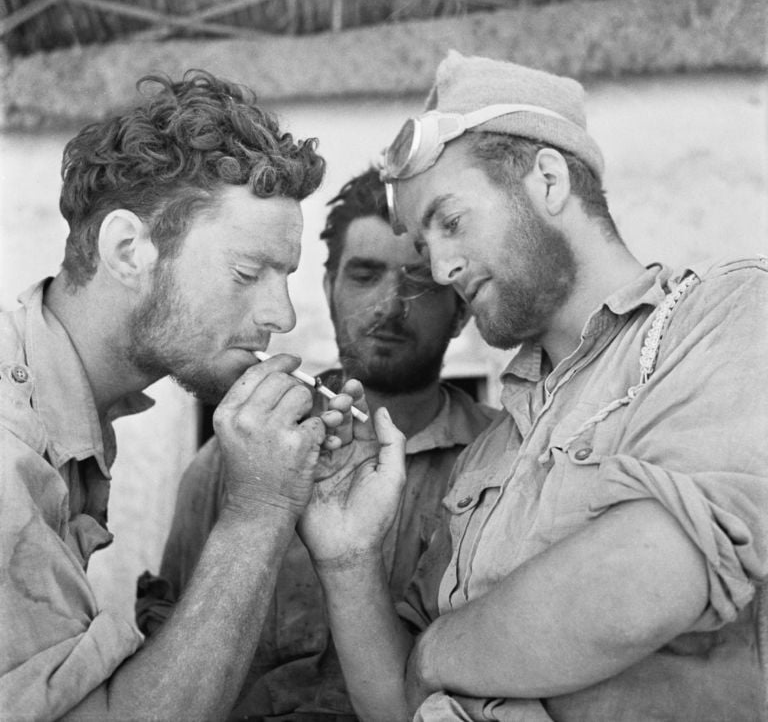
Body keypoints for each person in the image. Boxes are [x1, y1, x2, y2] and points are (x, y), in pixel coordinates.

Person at [297, 51, 768, 721]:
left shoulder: (726, 315)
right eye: (425, 244)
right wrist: (347, 557)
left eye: (451, 221)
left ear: (547, 180)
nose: (441, 265)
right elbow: (394, 704)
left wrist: (433, 655)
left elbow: (640, 585)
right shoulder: (490, 451)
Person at [0, 70, 382, 721]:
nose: (282, 316)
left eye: (284, 275)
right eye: (246, 272)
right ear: (128, 249)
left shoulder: (64, 407)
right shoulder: (9, 450)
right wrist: (261, 507)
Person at [136, 168, 498, 719]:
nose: (391, 302)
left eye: (420, 280)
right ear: (328, 289)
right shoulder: (235, 462)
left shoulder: (506, 464)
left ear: (460, 311)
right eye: (365, 274)